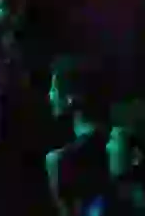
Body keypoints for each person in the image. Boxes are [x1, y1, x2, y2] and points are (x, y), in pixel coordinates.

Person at [46, 56, 113, 216]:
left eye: (54, 89)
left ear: (70, 98)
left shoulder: (60, 160)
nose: (49, 95)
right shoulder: (116, 141)